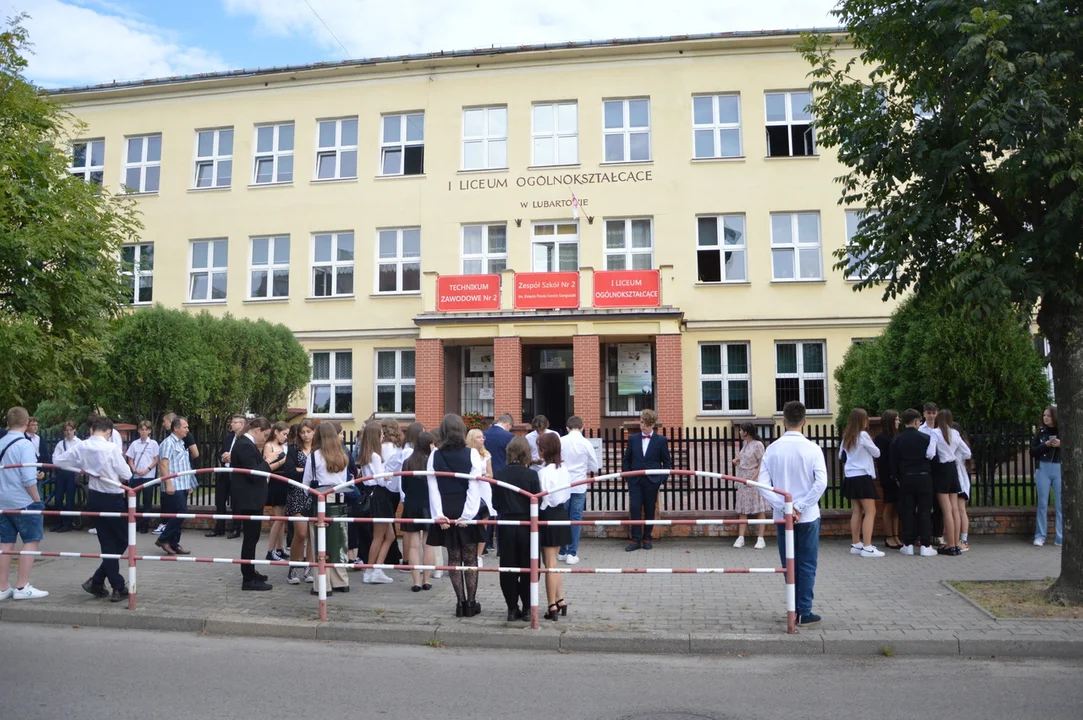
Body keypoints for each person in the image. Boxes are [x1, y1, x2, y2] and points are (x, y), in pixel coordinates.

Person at [756, 401, 828, 627]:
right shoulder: (813, 449)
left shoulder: (773, 449)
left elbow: (763, 484)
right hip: (808, 515)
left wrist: (786, 506)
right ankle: (804, 610)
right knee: (807, 564)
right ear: (804, 421)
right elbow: (821, 483)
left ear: (783, 421)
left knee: (789, 563)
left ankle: (793, 608)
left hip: (782, 515)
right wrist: (801, 506)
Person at [53, 415, 133, 602]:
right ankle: (117, 586)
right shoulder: (111, 448)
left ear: (92, 430)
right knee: (123, 539)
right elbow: (127, 473)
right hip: (112, 498)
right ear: (109, 431)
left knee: (107, 543)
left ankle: (98, 581)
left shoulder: (82, 446)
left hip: (95, 497)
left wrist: (81, 467)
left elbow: (58, 461)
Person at [427, 414, 486, 617]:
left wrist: (439, 514)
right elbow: (474, 485)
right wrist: (468, 514)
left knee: (453, 558)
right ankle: (471, 602)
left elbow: (432, 487)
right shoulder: (472, 454)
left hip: (446, 507)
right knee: (469, 558)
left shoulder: (434, 455)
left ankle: (460, 603)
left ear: (443, 432)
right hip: (466, 506)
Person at [0, 406, 49, 600]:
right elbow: (29, 478)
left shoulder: (1, 442)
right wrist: (37, 500)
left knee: (5, 544)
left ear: (8, 422)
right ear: (27, 423)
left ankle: (2, 588)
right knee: (31, 541)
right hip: (24, 501)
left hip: (3, 501)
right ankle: (22, 586)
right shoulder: (25, 445)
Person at [492, 436, 540, 621]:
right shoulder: (532, 475)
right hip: (528, 526)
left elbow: (495, 503)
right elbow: (537, 501)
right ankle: (528, 608)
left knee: (508, 568)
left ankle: (512, 608)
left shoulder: (499, 474)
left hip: (506, 525)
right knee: (529, 567)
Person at [304, 422, 353, 594]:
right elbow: (345, 481)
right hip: (339, 502)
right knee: (338, 542)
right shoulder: (343, 455)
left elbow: (306, 484)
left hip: (321, 503)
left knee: (320, 543)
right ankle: (341, 581)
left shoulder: (314, 457)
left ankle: (323, 585)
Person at [229, 417, 273, 591]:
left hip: (251, 499)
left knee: (252, 538)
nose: (265, 439)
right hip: (249, 500)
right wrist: (268, 462)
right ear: (258, 430)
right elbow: (253, 473)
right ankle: (248, 578)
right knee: (250, 538)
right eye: (265, 435)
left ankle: (251, 571)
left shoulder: (245, 444)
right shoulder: (245, 445)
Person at [621, 408, 671, 552]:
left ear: (652, 424)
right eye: (642, 422)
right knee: (635, 508)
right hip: (635, 480)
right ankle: (635, 540)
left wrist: (661, 479)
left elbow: (666, 462)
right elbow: (626, 459)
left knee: (650, 509)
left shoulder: (661, 440)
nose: (643, 426)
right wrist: (628, 477)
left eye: (646, 424)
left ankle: (647, 538)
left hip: (652, 481)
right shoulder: (633, 438)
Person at [891, 409, 939, 558]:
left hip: (906, 478)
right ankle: (926, 545)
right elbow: (934, 459)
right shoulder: (926, 438)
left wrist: (897, 478)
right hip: (924, 477)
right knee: (925, 511)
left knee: (907, 511)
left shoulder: (897, 440)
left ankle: (908, 545)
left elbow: (893, 462)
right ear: (917, 421)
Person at [841, 408, 884, 558]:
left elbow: (841, 455)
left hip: (851, 476)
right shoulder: (863, 435)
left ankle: (856, 543)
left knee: (857, 510)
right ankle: (867, 547)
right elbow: (877, 452)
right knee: (871, 511)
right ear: (862, 420)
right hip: (862, 476)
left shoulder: (847, 436)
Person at [537, 433, 572, 621]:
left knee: (549, 563)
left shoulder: (543, 473)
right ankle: (560, 599)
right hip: (561, 513)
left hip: (549, 514)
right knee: (554, 562)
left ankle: (551, 604)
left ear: (544, 450)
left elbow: (543, 499)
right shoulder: (564, 468)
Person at [558, 416, 600, 564]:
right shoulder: (586, 443)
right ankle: (572, 552)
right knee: (575, 519)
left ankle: (562, 551)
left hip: (563, 485)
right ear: (582, 427)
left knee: (562, 518)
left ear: (567, 428)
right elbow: (595, 467)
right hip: (579, 484)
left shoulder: (561, 441)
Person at [401, 430, 436, 592]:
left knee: (413, 546)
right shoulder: (432, 462)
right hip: (428, 505)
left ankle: (415, 582)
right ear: (429, 445)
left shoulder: (407, 462)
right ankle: (426, 580)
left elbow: (404, 486)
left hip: (411, 505)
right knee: (428, 545)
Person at [357, 423, 393, 585]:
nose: (383, 437)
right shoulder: (375, 456)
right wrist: (388, 477)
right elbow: (380, 479)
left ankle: (377, 569)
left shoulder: (366, 455)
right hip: (379, 495)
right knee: (379, 536)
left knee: (390, 536)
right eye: (381, 434)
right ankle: (370, 571)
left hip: (373, 494)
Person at [156, 415, 196, 555]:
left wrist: (189, 483)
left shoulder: (181, 442)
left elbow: (185, 464)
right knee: (181, 512)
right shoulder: (168, 443)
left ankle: (174, 543)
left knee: (177, 514)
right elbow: (163, 464)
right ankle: (163, 539)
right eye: (185, 427)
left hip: (183, 484)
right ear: (176, 428)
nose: (187, 430)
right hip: (174, 484)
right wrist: (168, 483)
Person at [284, 419, 317, 585]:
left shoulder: (318, 450)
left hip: (313, 494)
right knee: (301, 533)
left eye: (308, 432)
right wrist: (305, 472)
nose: (305, 435)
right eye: (302, 432)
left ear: (314, 432)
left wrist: (301, 470)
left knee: (312, 534)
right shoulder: (293, 449)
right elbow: (289, 472)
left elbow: (318, 473)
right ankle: (293, 567)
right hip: (297, 494)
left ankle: (309, 567)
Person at [730, 422, 770, 549]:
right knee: (743, 508)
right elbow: (745, 458)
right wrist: (738, 461)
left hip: (754, 479)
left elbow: (761, 464)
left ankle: (761, 538)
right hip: (743, 478)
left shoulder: (758, 445)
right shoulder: (745, 443)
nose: (739, 432)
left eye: (741, 430)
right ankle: (741, 537)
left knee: (759, 508)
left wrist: (753, 480)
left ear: (746, 432)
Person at [933, 409, 965, 555]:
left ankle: (950, 545)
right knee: (955, 509)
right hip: (953, 468)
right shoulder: (955, 433)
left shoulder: (935, 433)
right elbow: (967, 452)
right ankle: (956, 544)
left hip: (943, 469)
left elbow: (930, 453)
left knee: (946, 510)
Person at [208, 414, 245, 538]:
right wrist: (223, 457)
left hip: (236, 474)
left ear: (242, 424)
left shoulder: (245, 439)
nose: (231, 424)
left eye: (234, 422)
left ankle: (236, 529)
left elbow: (244, 457)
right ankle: (219, 528)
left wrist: (232, 457)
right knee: (220, 501)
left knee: (236, 503)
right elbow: (221, 452)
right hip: (224, 472)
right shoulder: (228, 438)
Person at [482, 413, 514, 554]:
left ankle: (485, 544)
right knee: (501, 510)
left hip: (486, 476)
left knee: (486, 509)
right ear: (508, 424)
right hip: (503, 477)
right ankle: (501, 547)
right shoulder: (509, 437)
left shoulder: (483, 435)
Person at [1030, 405, 1062, 548]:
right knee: (1042, 503)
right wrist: (1046, 445)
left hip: (1058, 468)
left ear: (1055, 417)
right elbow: (1033, 451)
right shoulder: (1041, 432)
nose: (1046, 418)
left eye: (1048, 415)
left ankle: (1060, 537)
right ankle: (1040, 536)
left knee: (1060, 504)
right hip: (1043, 468)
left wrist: (1061, 444)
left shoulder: (1062, 431)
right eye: (1044, 416)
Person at [466, 428, 496, 566]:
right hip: (472, 488)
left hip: (484, 488)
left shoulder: (486, 454)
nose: (482, 439)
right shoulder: (467, 453)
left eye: (483, 437)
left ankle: (478, 555)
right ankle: (469, 554)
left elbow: (491, 474)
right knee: (470, 521)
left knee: (484, 522)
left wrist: (483, 475)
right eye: (478, 437)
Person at [263, 421, 290, 561]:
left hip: (285, 481)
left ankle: (280, 548)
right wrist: (283, 461)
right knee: (278, 518)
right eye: (284, 434)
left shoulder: (283, 446)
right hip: (276, 481)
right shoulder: (269, 446)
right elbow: (268, 467)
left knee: (282, 519)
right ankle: (270, 550)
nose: (286, 437)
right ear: (276, 432)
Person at [874, 409, 902, 549]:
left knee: (896, 507)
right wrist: (891, 476)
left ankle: (896, 534)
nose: (898, 421)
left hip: (897, 475)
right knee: (889, 505)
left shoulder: (896, 436)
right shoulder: (881, 438)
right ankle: (889, 536)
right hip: (888, 476)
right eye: (896, 419)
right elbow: (882, 461)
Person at [125, 420, 158, 534]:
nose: (144, 432)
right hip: (137, 476)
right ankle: (135, 524)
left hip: (149, 476)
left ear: (149, 431)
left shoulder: (153, 444)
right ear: (139, 431)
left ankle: (145, 525)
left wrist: (148, 469)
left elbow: (156, 459)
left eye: (146, 430)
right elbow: (130, 459)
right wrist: (134, 470)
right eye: (142, 429)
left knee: (147, 501)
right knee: (135, 502)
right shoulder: (134, 444)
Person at [918, 403, 944, 545]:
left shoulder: (941, 429)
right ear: (924, 414)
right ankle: (923, 534)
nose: (931, 416)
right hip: (926, 468)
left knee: (940, 503)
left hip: (940, 468)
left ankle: (938, 534)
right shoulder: (921, 430)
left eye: (934, 413)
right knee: (925, 504)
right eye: (929, 413)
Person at [51, 422, 82, 533]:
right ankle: (57, 523)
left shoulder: (79, 443)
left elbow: (80, 460)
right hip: (62, 472)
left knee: (70, 498)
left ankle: (68, 524)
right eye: (66, 430)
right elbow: (55, 459)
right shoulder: (60, 444)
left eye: (70, 430)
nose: (68, 432)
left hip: (73, 473)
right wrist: (68, 460)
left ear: (74, 430)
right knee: (58, 498)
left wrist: (64, 460)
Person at [953, 423, 973, 552]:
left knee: (960, 510)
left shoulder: (960, 446)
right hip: (956, 480)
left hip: (959, 481)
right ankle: (956, 539)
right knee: (956, 511)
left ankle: (963, 540)